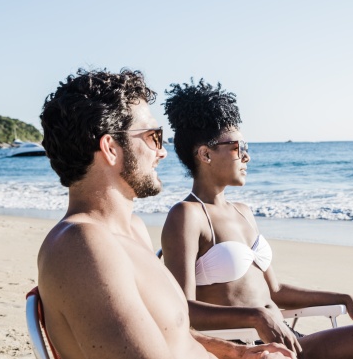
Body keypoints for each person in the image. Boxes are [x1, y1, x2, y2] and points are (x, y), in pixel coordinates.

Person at [161, 80, 353, 359]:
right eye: (238, 147)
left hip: (288, 340)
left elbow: (276, 291)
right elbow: (181, 309)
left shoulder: (243, 212)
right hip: (252, 347)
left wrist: (341, 297)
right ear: (205, 154)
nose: (247, 156)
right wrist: (256, 316)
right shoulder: (187, 216)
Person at [37, 68, 295, 359]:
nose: (163, 152)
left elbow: (173, 337)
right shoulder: (82, 245)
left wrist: (237, 353)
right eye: (153, 137)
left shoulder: (129, 231)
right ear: (110, 148)